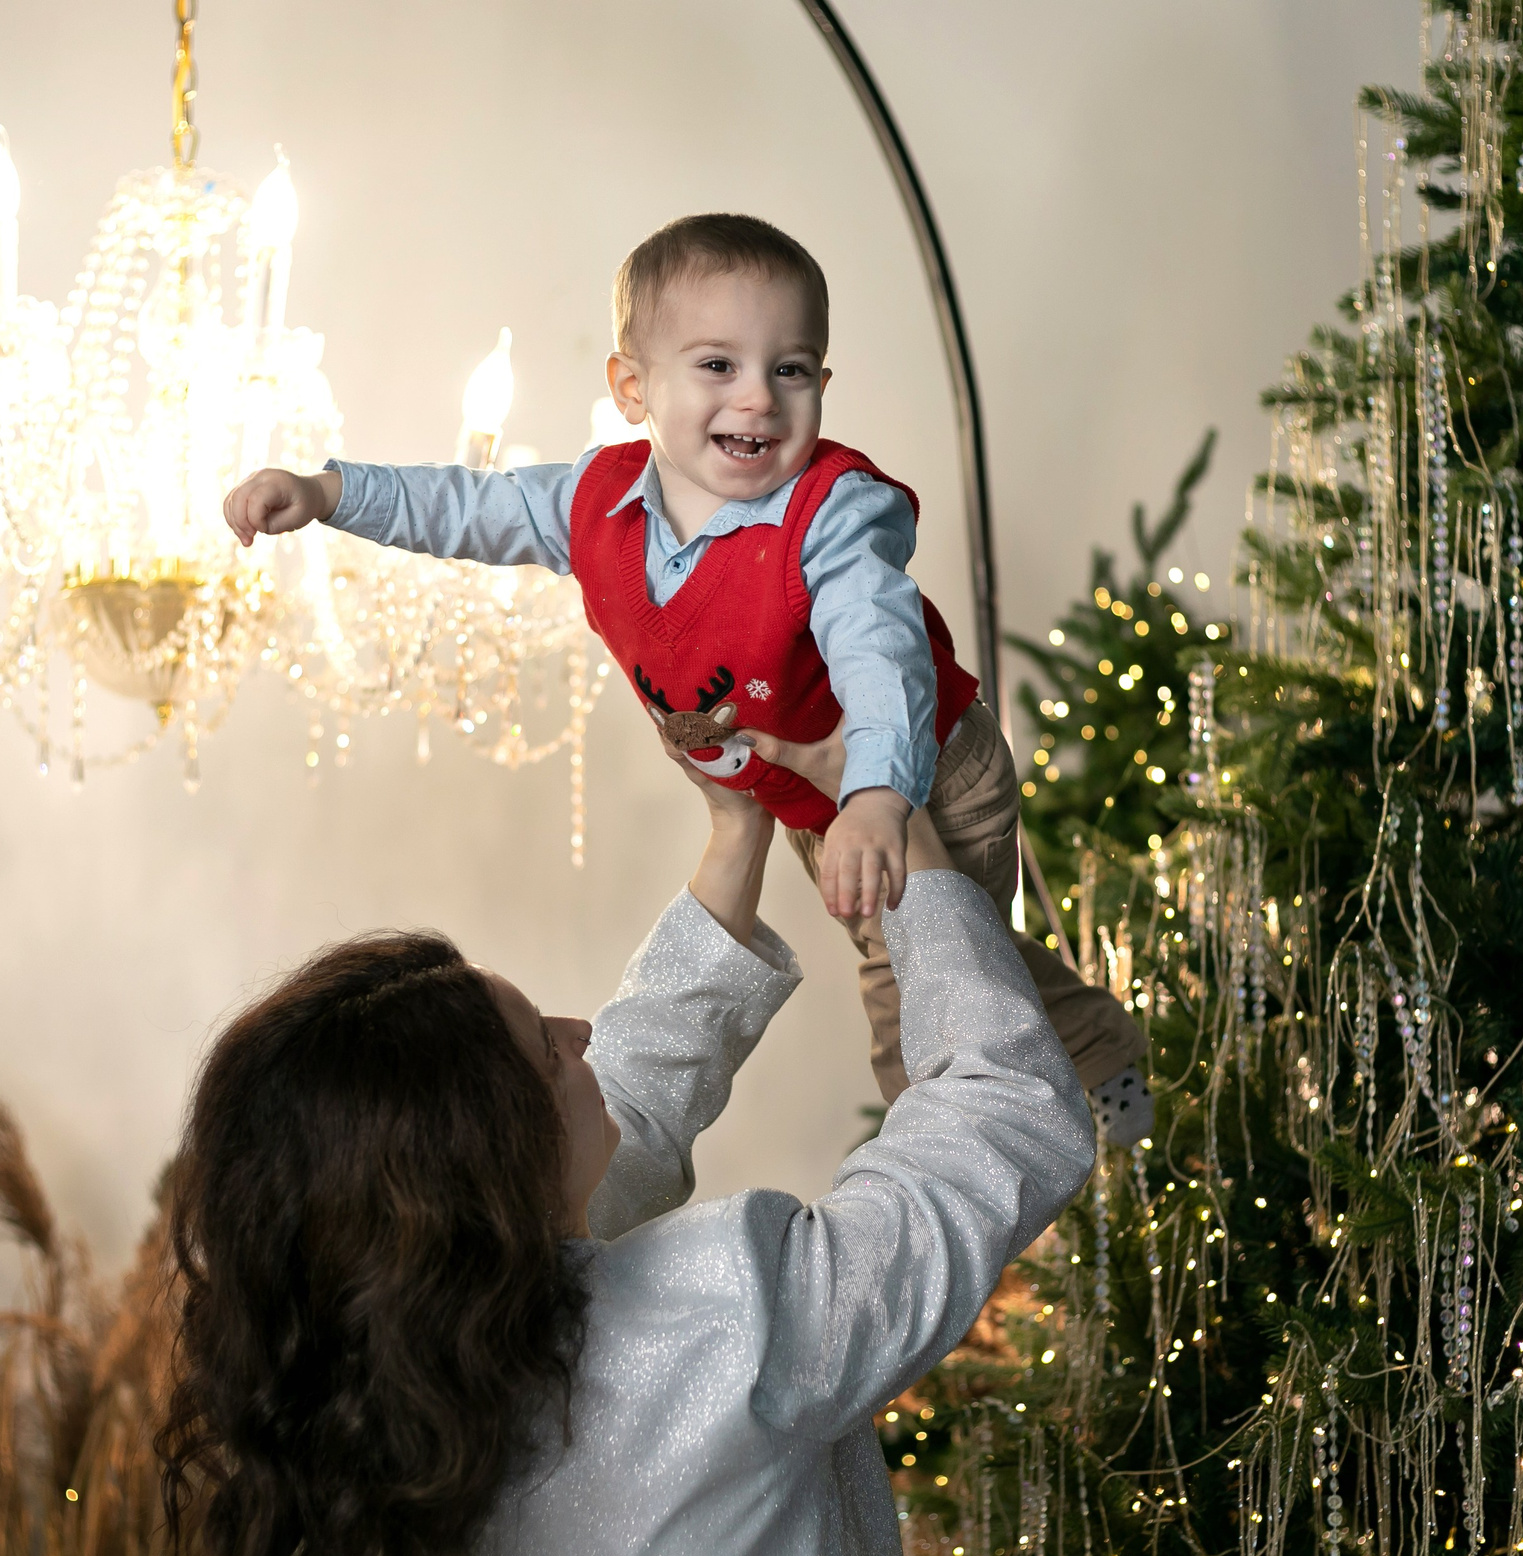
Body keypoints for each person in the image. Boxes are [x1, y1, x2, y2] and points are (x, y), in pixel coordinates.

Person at [159, 727, 1096, 1556]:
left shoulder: (423, 1381)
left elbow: (620, 1108)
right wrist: (893, 820)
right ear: (492, 1162)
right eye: (543, 1049)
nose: (582, 1035)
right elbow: (1006, 1108)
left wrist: (736, 833)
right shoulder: (731, 1314)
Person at [221, 212, 1152, 1144]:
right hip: (806, 795)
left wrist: (876, 796)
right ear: (632, 386)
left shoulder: (831, 514)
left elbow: (883, 657)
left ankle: (938, 1165)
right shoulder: (594, 502)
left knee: (911, 981)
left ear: (821, 384)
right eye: (718, 365)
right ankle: (1097, 1044)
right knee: (968, 954)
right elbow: (471, 505)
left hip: (923, 773)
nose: (758, 399)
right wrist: (329, 496)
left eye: (790, 370)